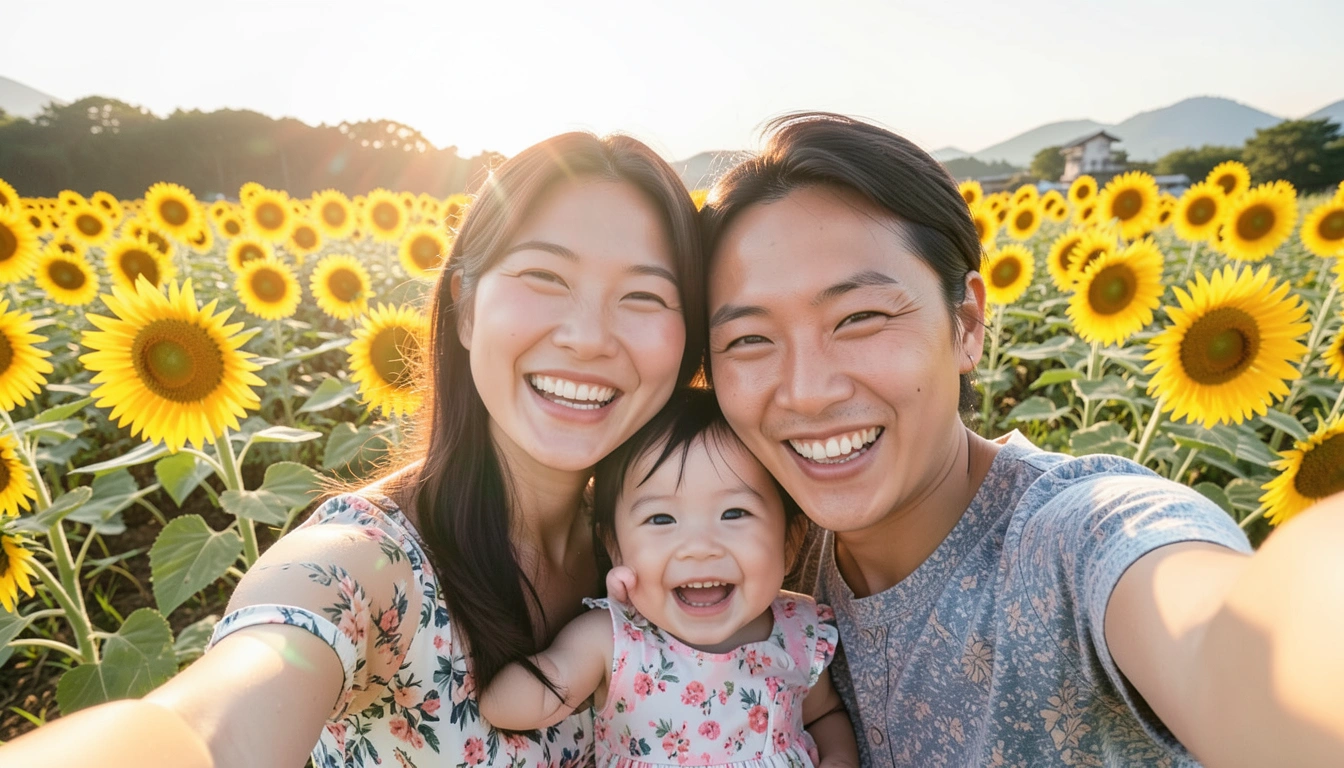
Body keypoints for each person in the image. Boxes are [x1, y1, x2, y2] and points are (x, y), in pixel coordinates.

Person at [611, 112, 1344, 767]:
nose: (806, 390)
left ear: (966, 323)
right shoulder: (763, 558)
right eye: (748, 339)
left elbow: (1230, 641)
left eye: (860, 318)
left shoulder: (1072, 542)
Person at [0, 131, 706, 768]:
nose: (587, 337)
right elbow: (216, 719)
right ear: (463, 305)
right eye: (544, 277)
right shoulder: (370, 564)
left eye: (643, 296)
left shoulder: (684, 542)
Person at [479, 389, 861, 768]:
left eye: (734, 514)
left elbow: (823, 713)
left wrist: (840, 757)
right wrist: (534, 691)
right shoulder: (613, 640)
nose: (698, 547)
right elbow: (514, 703)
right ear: (615, 548)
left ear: (790, 541)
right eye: (661, 519)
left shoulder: (799, 633)